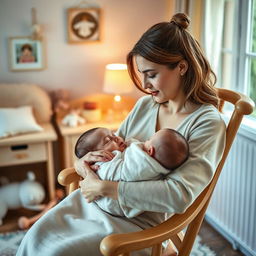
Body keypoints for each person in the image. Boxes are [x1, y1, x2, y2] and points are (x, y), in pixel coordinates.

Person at [17, 13, 226, 256]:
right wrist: (84, 166)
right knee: (37, 236)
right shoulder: (147, 105)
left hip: (137, 224)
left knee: (57, 252)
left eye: (152, 74)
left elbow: (179, 196)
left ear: (181, 67)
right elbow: (110, 151)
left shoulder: (207, 123)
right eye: (142, 74)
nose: (145, 85)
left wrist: (104, 188)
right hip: (97, 205)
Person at [74, 127, 189, 218]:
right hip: (94, 200)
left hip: (115, 206)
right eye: (109, 139)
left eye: (114, 135)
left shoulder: (139, 162)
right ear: (96, 153)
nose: (117, 138)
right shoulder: (104, 163)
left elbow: (122, 171)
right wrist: (82, 164)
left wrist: (97, 182)